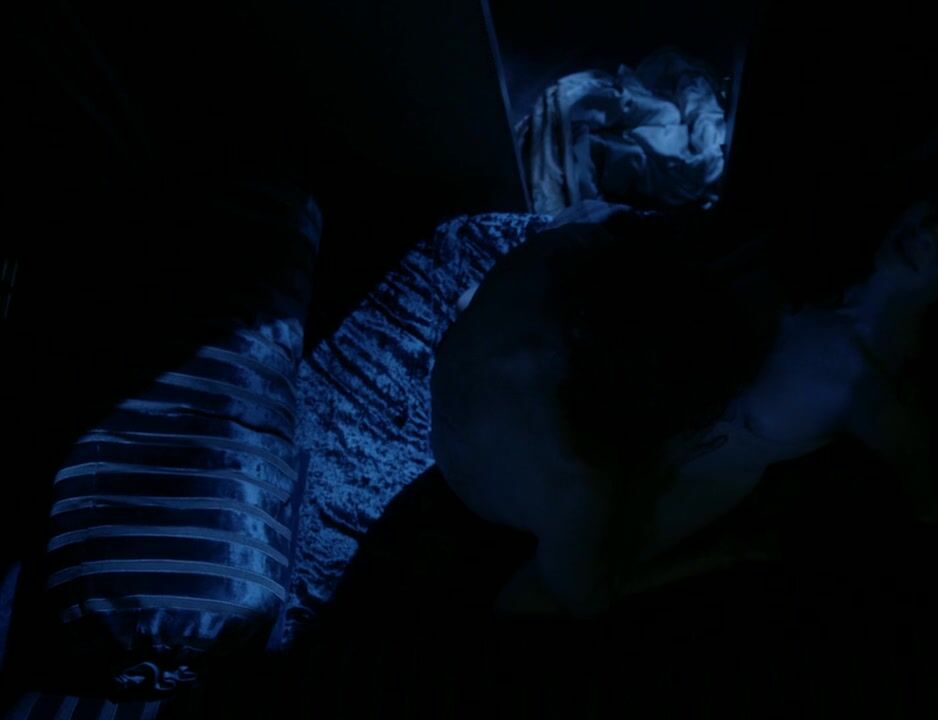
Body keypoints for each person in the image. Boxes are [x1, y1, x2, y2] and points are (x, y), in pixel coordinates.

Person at [430, 197, 938, 616]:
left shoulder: (874, 388)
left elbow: (926, 499)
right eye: (931, 209)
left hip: (679, 465)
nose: (927, 231)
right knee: (547, 585)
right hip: (559, 435)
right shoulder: (580, 476)